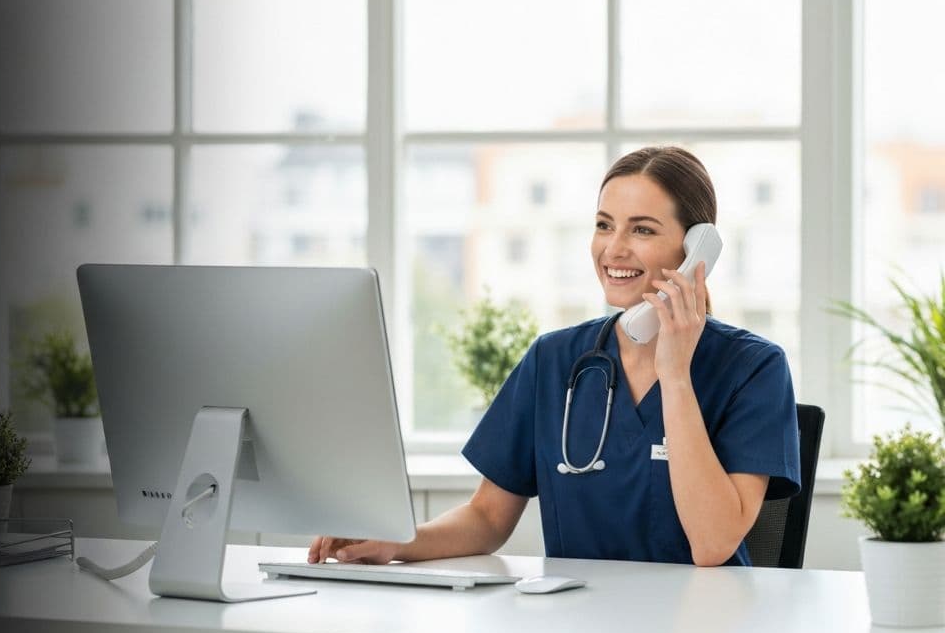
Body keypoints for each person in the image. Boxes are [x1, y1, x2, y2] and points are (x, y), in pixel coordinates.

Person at [309, 146, 801, 568]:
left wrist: (674, 374)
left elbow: (713, 545)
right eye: (604, 225)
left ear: (697, 250)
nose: (614, 249)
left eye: (643, 230)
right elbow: (487, 518)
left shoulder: (752, 369)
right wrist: (396, 543)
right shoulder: (555, 360)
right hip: (574, 629)